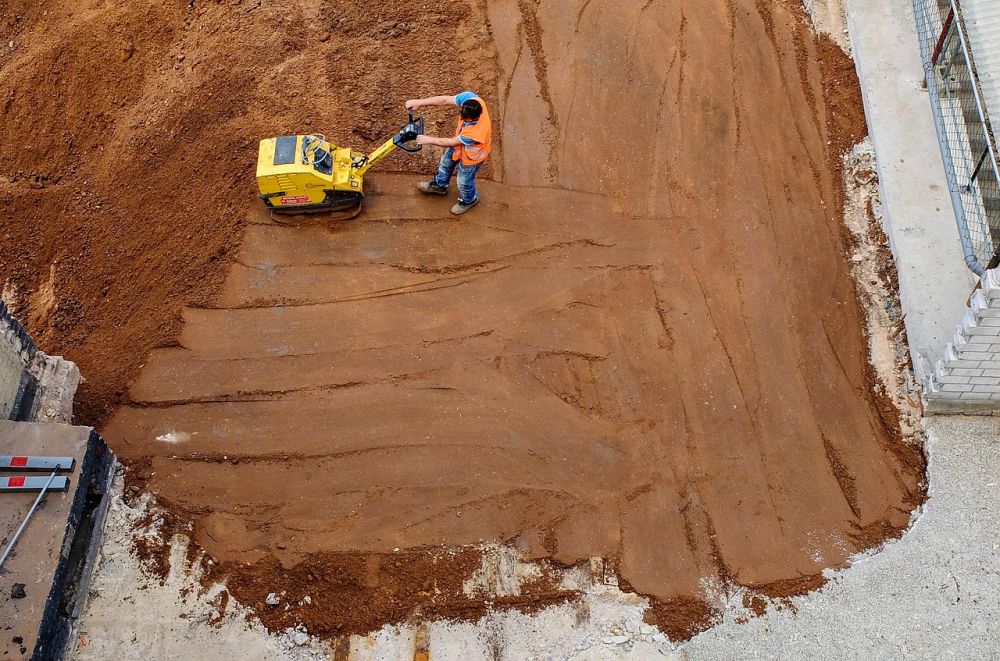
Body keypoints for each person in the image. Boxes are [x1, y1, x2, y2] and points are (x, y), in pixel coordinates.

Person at [405, 91, 492, 215]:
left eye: (465, 119)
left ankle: (469, 200)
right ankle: (440, 185)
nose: (461, 118)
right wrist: (419, 102)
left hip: (472, 158)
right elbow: (445, 100)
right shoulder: (470, 98)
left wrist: (428, 139)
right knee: (445, 163)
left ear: (475, 117)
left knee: (464, 181)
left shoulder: (475, 133)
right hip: (459, 148)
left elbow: (451, 142)